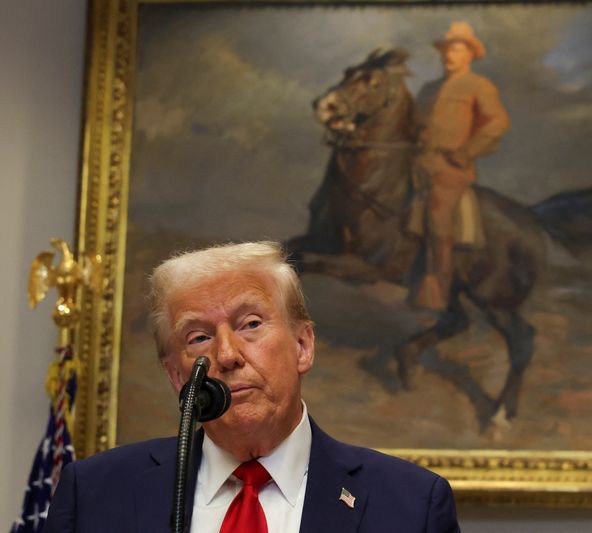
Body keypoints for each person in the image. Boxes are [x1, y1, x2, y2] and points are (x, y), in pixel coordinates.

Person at [44, 241, 460, 532]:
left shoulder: (410, 506)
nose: (227, 355)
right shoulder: (95, 494)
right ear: (176, 375)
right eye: (198, 337)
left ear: (302, 346)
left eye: (251, 325)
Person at [412, 21, 510, 311]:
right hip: (418, 163)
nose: (448, 55)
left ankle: (438, 289)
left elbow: (498, 123)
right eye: (445, 49)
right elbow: (414, 124)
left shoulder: (479, 86)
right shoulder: (429, 89)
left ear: (470, 54)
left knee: (437, 212)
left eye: (456, 49)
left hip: (450, 169)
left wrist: (467, 152)